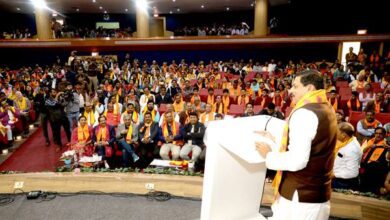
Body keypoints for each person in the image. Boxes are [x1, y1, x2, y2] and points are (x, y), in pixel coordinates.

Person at [255, 70, 337, 220]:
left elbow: (297, 160)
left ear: (309, 88)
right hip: (316, 194)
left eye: (295, 86)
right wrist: (275, 138)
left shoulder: (304, 113)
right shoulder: (326, 107)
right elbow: (314, 144)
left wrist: (268, 155)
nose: (290, 90)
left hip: (300, 198)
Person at [332, 122, 362, 190]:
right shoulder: (347, 141)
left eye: (336, 132)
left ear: (344, 135)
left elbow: (352, 173)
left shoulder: (352, 149)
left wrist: (334, 175)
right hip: (339, 179)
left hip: (344, 183)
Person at [360, 127, 389, 194]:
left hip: (378, 167)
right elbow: (363, 151)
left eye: (380, 134)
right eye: (376, 133)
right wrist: (370, 146)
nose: (378, 135)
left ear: (384, 135)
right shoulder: (371, 141)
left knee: (372, 167)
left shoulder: (386, 144)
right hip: (366, 164)